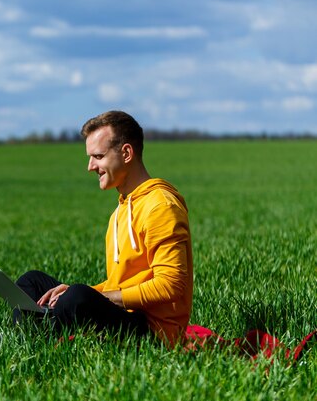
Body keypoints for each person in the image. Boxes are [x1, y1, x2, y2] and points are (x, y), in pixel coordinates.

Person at [15, 110, 193, 345]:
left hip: (153, 332)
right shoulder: (119, 212)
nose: (90, 166)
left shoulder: (160, 206)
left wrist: (93, 295)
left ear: (126, 153)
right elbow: (121, 284)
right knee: (33, 281)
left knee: (77, 297)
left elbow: (171, 285)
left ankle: (36, 337)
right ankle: (29, 333)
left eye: (98, 156)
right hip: (125, 316)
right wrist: (91, 291)